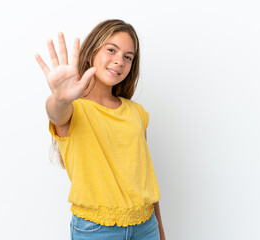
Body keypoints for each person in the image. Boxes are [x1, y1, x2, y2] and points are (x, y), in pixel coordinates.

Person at [35, 19, 165, 240]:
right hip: (97, 231)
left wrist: (160, 232)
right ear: (92, 51)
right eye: (111, 50)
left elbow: (145, 180)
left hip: (146, 227)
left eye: (128, 57)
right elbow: (55, 112)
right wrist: (59, 98)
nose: (119, 61)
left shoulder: (137, 113)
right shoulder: (73, 108)